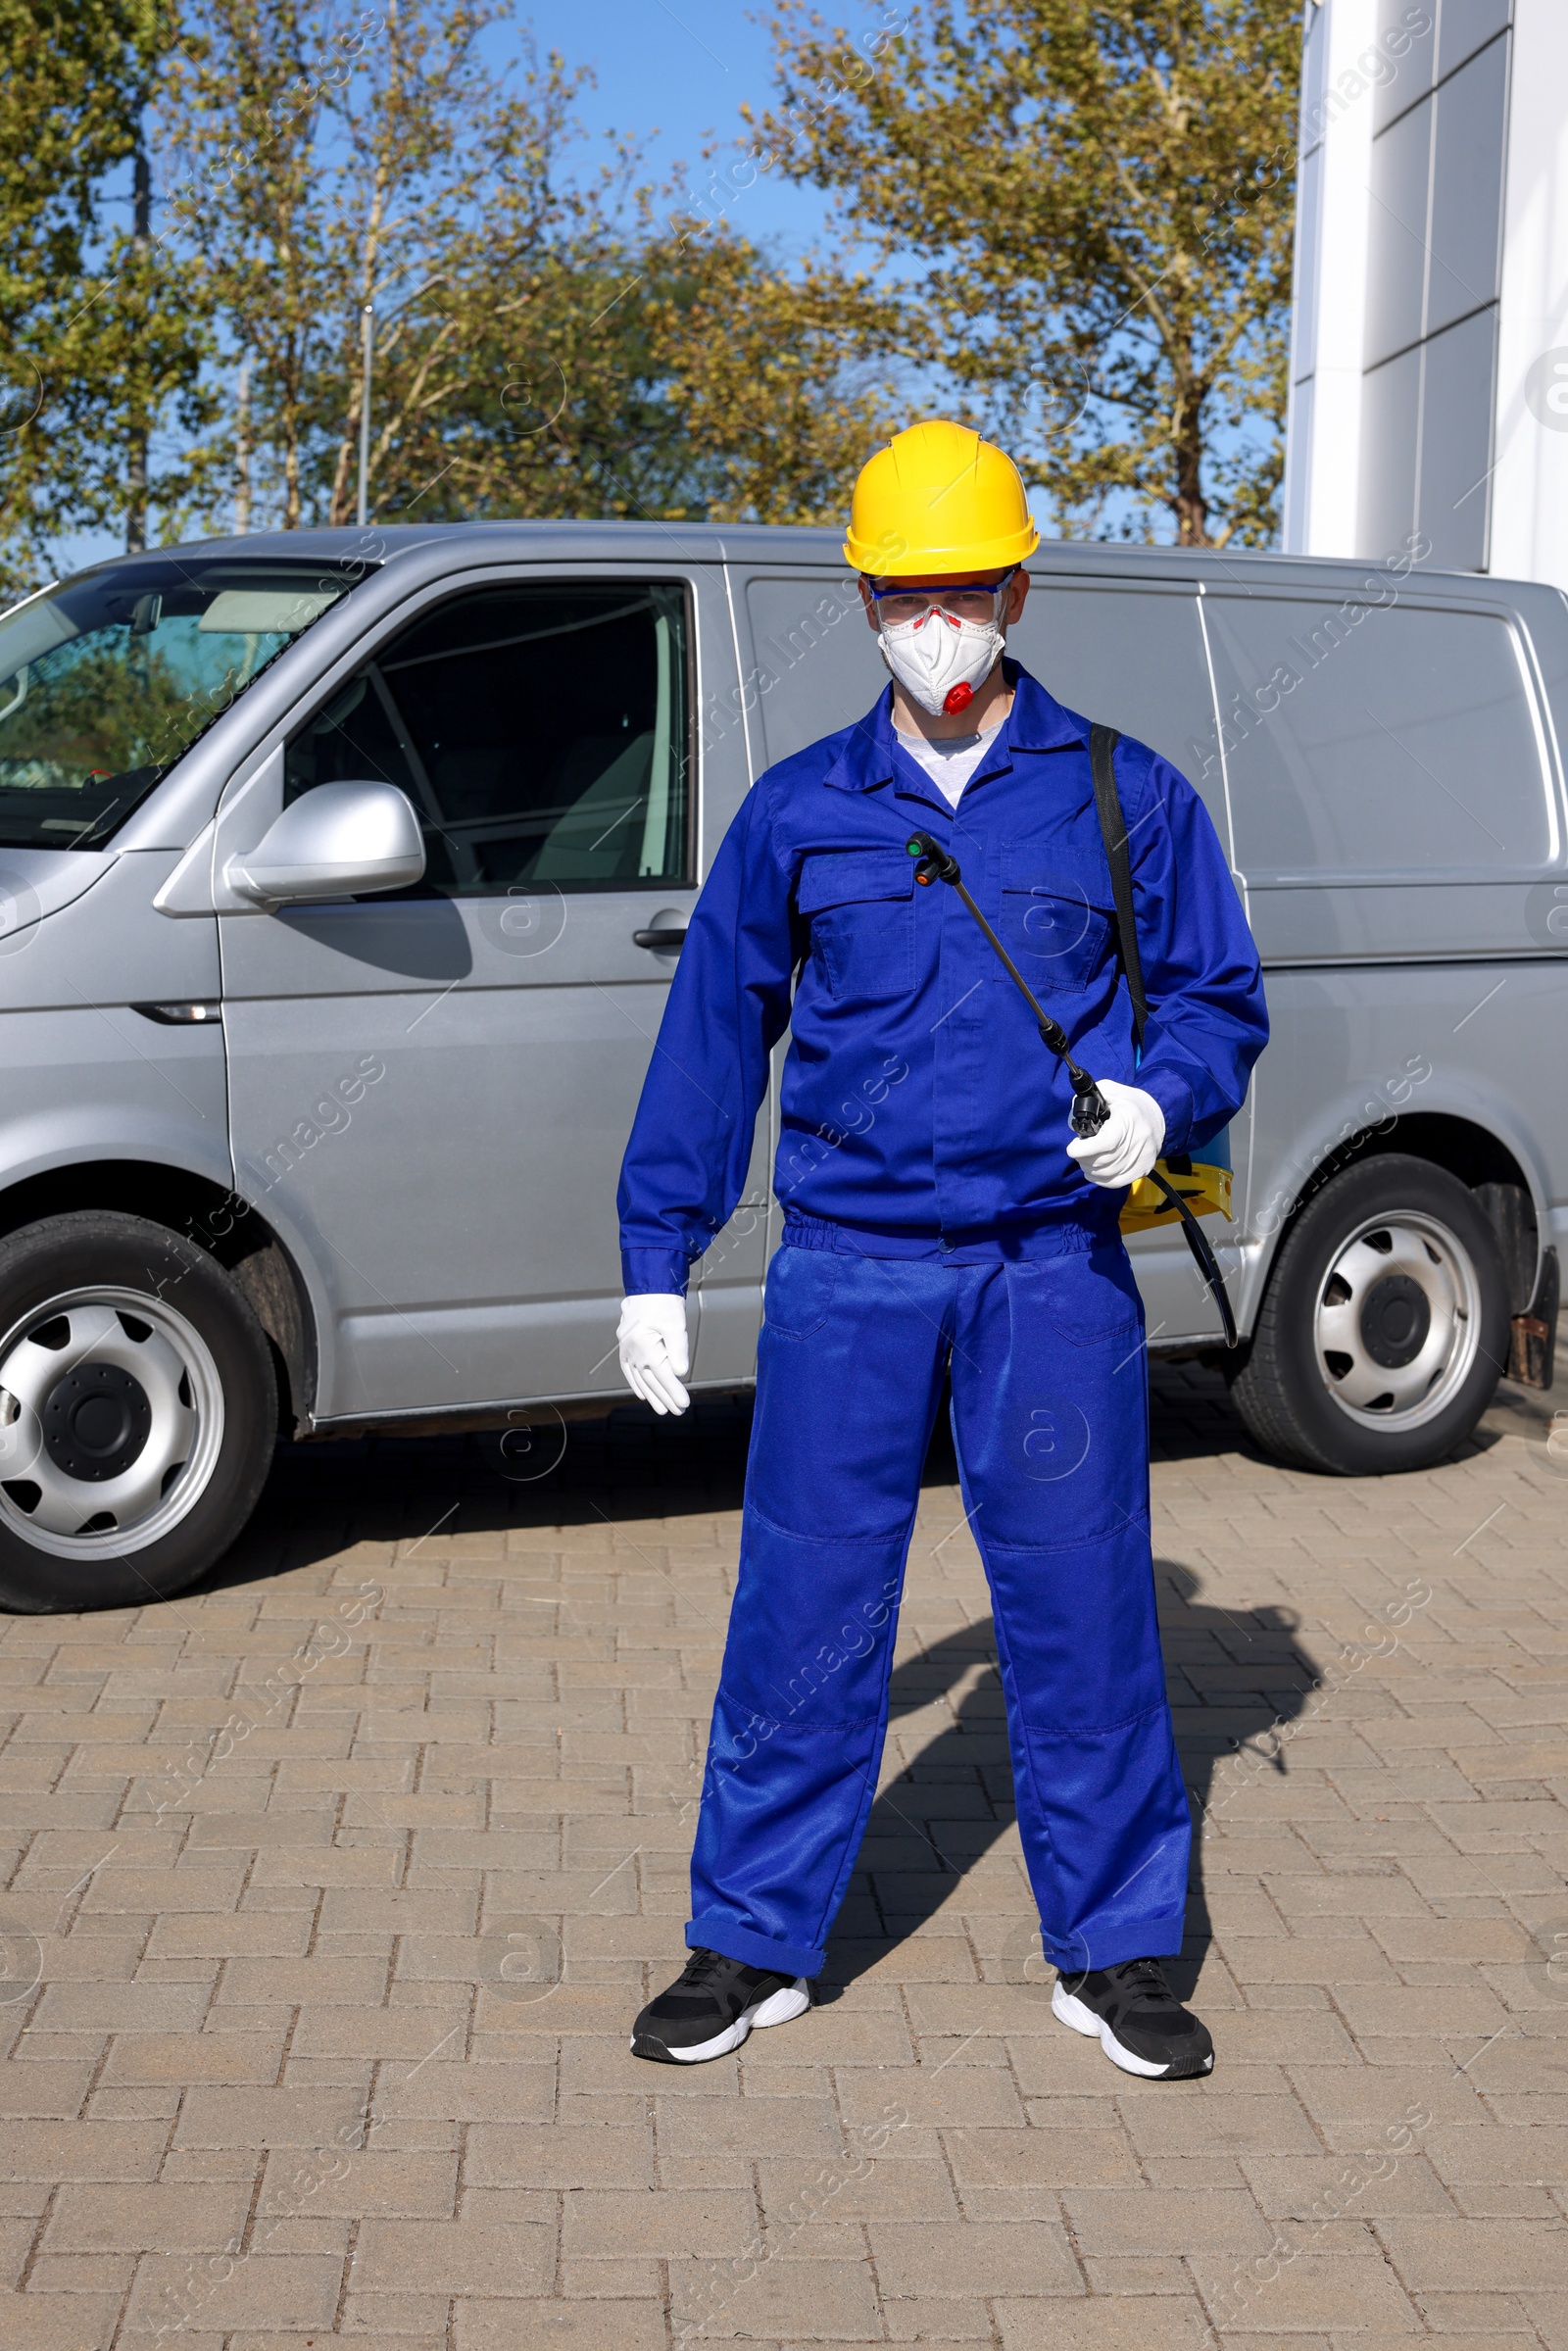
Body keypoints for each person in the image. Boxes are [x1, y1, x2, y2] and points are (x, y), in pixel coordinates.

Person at [614, 418, 1267, 2079]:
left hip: (1050, 1269)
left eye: (965, 589)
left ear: (1018, 591)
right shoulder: (797, 810)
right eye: (907, 593)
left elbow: (1218, 998)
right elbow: (714, 1033)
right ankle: (746, 1941)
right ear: (867, 605)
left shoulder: (1126, 790)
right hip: (850, 1267)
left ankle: (1116, 1955)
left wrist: (1162, 1099)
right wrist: (653, 1255)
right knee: (807, 1608)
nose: (938, 621)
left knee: (1086, 1610)